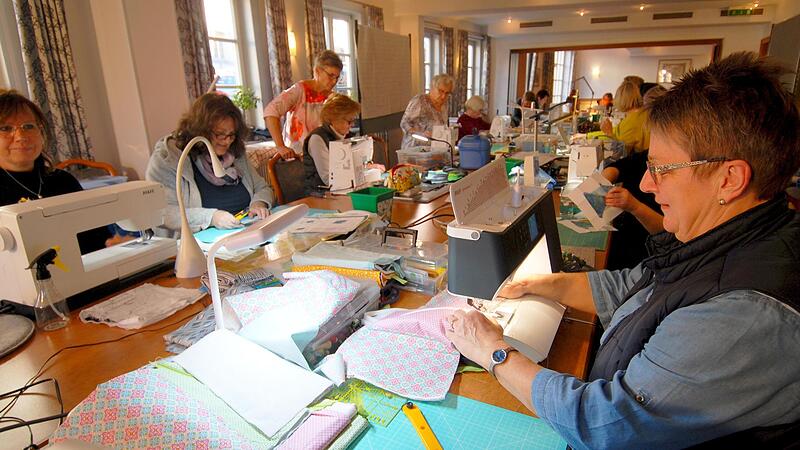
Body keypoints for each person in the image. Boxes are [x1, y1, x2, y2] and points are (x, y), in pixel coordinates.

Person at [445, 52, 800, 448]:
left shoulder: (743, 316)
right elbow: (635, 287)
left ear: (729, 179)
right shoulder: (733, 241)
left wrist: (493, 351)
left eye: (662, 169)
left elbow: (605, 424)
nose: (646, 184)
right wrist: (541, 285)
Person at [146, 93, 274, 237]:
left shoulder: (234, 152)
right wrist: (211, 217)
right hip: (198, 246)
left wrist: (259, 203)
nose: (227, 141)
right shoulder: (169, 158)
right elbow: (162, 212)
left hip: (247, 235)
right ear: (201, 130)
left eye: (231, 134)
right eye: (220, 134)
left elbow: (262, 187)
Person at [0, 89, 111, 254]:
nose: (21, 136)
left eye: (28, 126)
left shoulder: (63, 180)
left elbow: (96, 237)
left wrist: (114, 245)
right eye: (5, 128)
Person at [263, 50, 343, 158]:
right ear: (317, 71)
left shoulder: (332, 98)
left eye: (337, 77)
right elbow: (270, 112)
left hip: (322, 155)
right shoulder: (299, 90)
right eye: (331, 75)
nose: (334, 81)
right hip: (297, 156)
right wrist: (280, 146)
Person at [302, 93, 361, 195]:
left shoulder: (344, 135)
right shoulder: (317, 139)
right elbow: (328, 178)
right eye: (349, 121)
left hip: (339, 191)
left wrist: (367, 168)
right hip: (319, 194)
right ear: (334, 119)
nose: (352, 125)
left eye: (353, 120)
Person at [400, 74, 454, 149]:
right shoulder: (420, 101)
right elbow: (404, 123)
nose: (443, 96)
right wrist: (420, 133)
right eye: (441, 91)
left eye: (447, 93)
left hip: (434, 149)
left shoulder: (445, 105)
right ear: (432, 87)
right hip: (415, 149)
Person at [601, 80, 649, 152]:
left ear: (620, 99)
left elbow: (620, 152)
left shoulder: (631, 122)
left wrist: (609, 133)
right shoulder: (645, 112)